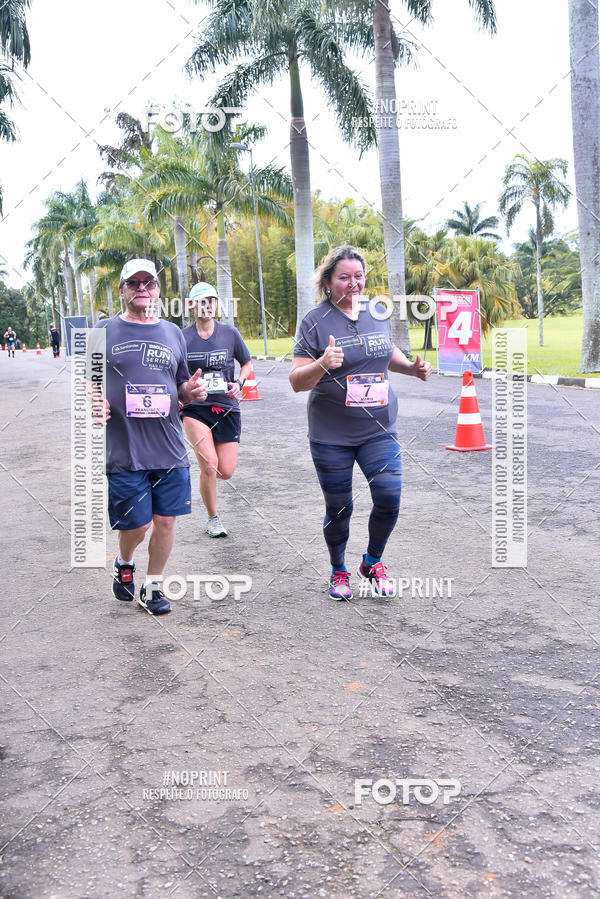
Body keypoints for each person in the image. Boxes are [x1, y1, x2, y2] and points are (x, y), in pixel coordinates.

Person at [289, 245, 432, 601]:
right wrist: (323, 362)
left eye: (358, 276)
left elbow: (384, 350)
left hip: (378, 427)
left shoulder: (377, 311)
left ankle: (372, 561)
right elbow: (296, 381)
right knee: (339, 508)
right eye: (344, 277)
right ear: (328, 281)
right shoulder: (313, 321)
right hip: (331, 433)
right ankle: (338, 569)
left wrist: (411, 369)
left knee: (389, 497)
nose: (353, 284)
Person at [94, 258, 208, 615]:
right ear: (122, 289)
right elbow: (88, 381)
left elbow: (180, 389)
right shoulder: (104, 331)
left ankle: (152, 585)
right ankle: (124, 561)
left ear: (158, 289)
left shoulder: (173, 332)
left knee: (166, 520)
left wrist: (191, 391)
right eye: (134, 283)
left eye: (149, 283)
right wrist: (93, 401)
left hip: (169, 446)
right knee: (138, 524)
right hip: (126, 447)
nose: (142, 288)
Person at [180, 282, 253, 537]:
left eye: (211, 301)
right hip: (195, 409)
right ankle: (213, 518)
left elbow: (246, 363)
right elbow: (175, 371)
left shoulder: (229, 333)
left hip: (226, 407)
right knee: (209, 464)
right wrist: (183, 391)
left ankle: (209, 493)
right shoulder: (183, 337)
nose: (207, 306)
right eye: (201, 301)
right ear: (192, 305)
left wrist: (239, 384)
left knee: (225, 471)